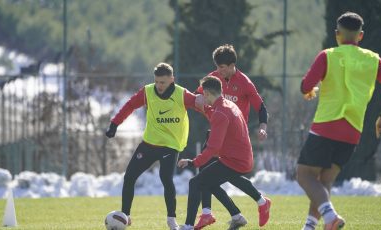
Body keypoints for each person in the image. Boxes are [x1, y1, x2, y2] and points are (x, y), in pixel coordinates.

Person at [297, 12, 381, 230]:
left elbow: (306, 84)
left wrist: (308, 89)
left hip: (327, 124)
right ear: (361, 36)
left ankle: (331, 217)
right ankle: (309, 226)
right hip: (352, 131)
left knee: (304, 175)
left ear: (337, 35)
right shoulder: (373, 60)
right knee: (325, 180)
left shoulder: (328, 55)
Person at [105, 62, 200, 230]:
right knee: (129, 177)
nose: (159, 86)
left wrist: (219, 118)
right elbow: (130, 105)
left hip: (170, 145)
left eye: (162, 82)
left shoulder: (182, 95)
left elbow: (203, 106)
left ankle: (171, 220)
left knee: (165, 178)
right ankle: (125, 215)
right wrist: (114, 123)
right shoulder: (148, 92)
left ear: (172, 79)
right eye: (156, 81)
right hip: (149, 143)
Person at [193, 44, 271, 229]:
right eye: (217, 67)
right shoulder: (213, 78)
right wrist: (197, 101)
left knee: (213, 175)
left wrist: (262, 127)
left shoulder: (244, 82)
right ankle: (222, 213)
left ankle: (248, 207)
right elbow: (198, 97)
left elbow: (261, 108)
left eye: (222, 67)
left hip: (235, 139)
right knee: (207, 173)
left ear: (232, 65)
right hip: (218, 133)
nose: (219, 71)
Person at [178, 76, 266, 230]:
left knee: (195, 183)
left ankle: (188, 226)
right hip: (240, 157)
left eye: (202, 94)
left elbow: (212, 148)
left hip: (234, 161)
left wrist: (193, 162)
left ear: (206, 94)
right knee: (208, 182)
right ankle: (238, 216)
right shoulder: (228, 104)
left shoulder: (220, 113)